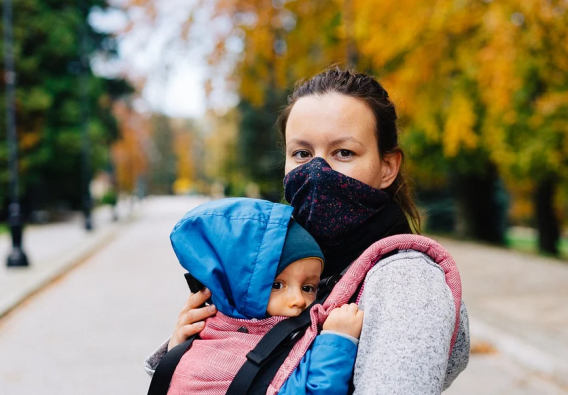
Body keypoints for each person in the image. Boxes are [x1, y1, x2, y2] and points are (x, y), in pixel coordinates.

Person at [145, 68, 470, 394]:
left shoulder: (406, 280)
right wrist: (189, 349)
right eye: (302, 153)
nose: (317, 171)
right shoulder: (281, 256)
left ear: (387, 167)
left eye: (344, 152)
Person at [164, 198, 363, 395]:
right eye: (277, 285)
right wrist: (337, 341)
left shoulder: (289, 331)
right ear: (237, 287)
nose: (299, 300)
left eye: (308, 288)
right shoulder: (211, 357)